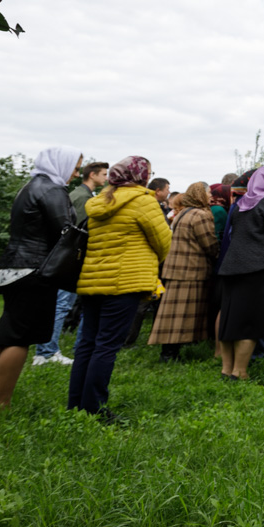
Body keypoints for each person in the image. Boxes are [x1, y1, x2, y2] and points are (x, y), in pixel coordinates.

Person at [68, 156, 171, 419]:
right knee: (106, 346)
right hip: (127, 282)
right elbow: (164, 243)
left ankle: (76, 403)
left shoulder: (99, 201)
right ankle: (94, 408)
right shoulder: (144, 201)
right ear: (141, 176)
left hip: (93, 279)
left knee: (87, 343)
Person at [0, 146, 81, 411]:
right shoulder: (53, 190)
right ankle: (0, 406)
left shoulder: (28, 187)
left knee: (4, 336)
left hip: (12, 268)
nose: (76, 173)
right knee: (19, 339)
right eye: (75, 167)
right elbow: (66, 232)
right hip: (36, 270)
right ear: (61, 164)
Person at [217, 162, 264, 379]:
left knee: (230, 319)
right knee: (250, 320)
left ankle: (226, 368)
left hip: (232, 266)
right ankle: (240, 371)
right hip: (258, 267)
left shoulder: (241, 203)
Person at [33, 159, 106, 367]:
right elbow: (80, 232)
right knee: (61, 304)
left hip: (66, 257)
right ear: (92, 175)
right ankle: (46, 351)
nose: (106, 178)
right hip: (70, 258)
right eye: (103, 174)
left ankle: (46, 348)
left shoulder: (78, 194)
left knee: (60, 304)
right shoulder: (83, 197)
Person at [149, 181, 220, 362]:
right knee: (181, 316)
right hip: (190, 271)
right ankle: (170, 354)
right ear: (199, 194)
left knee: (172, 315)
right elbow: (209, 244)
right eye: (208, 192)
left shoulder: (183, 213)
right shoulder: (200, 215)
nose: (211, 196)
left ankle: (169, 352)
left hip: (175, 269)